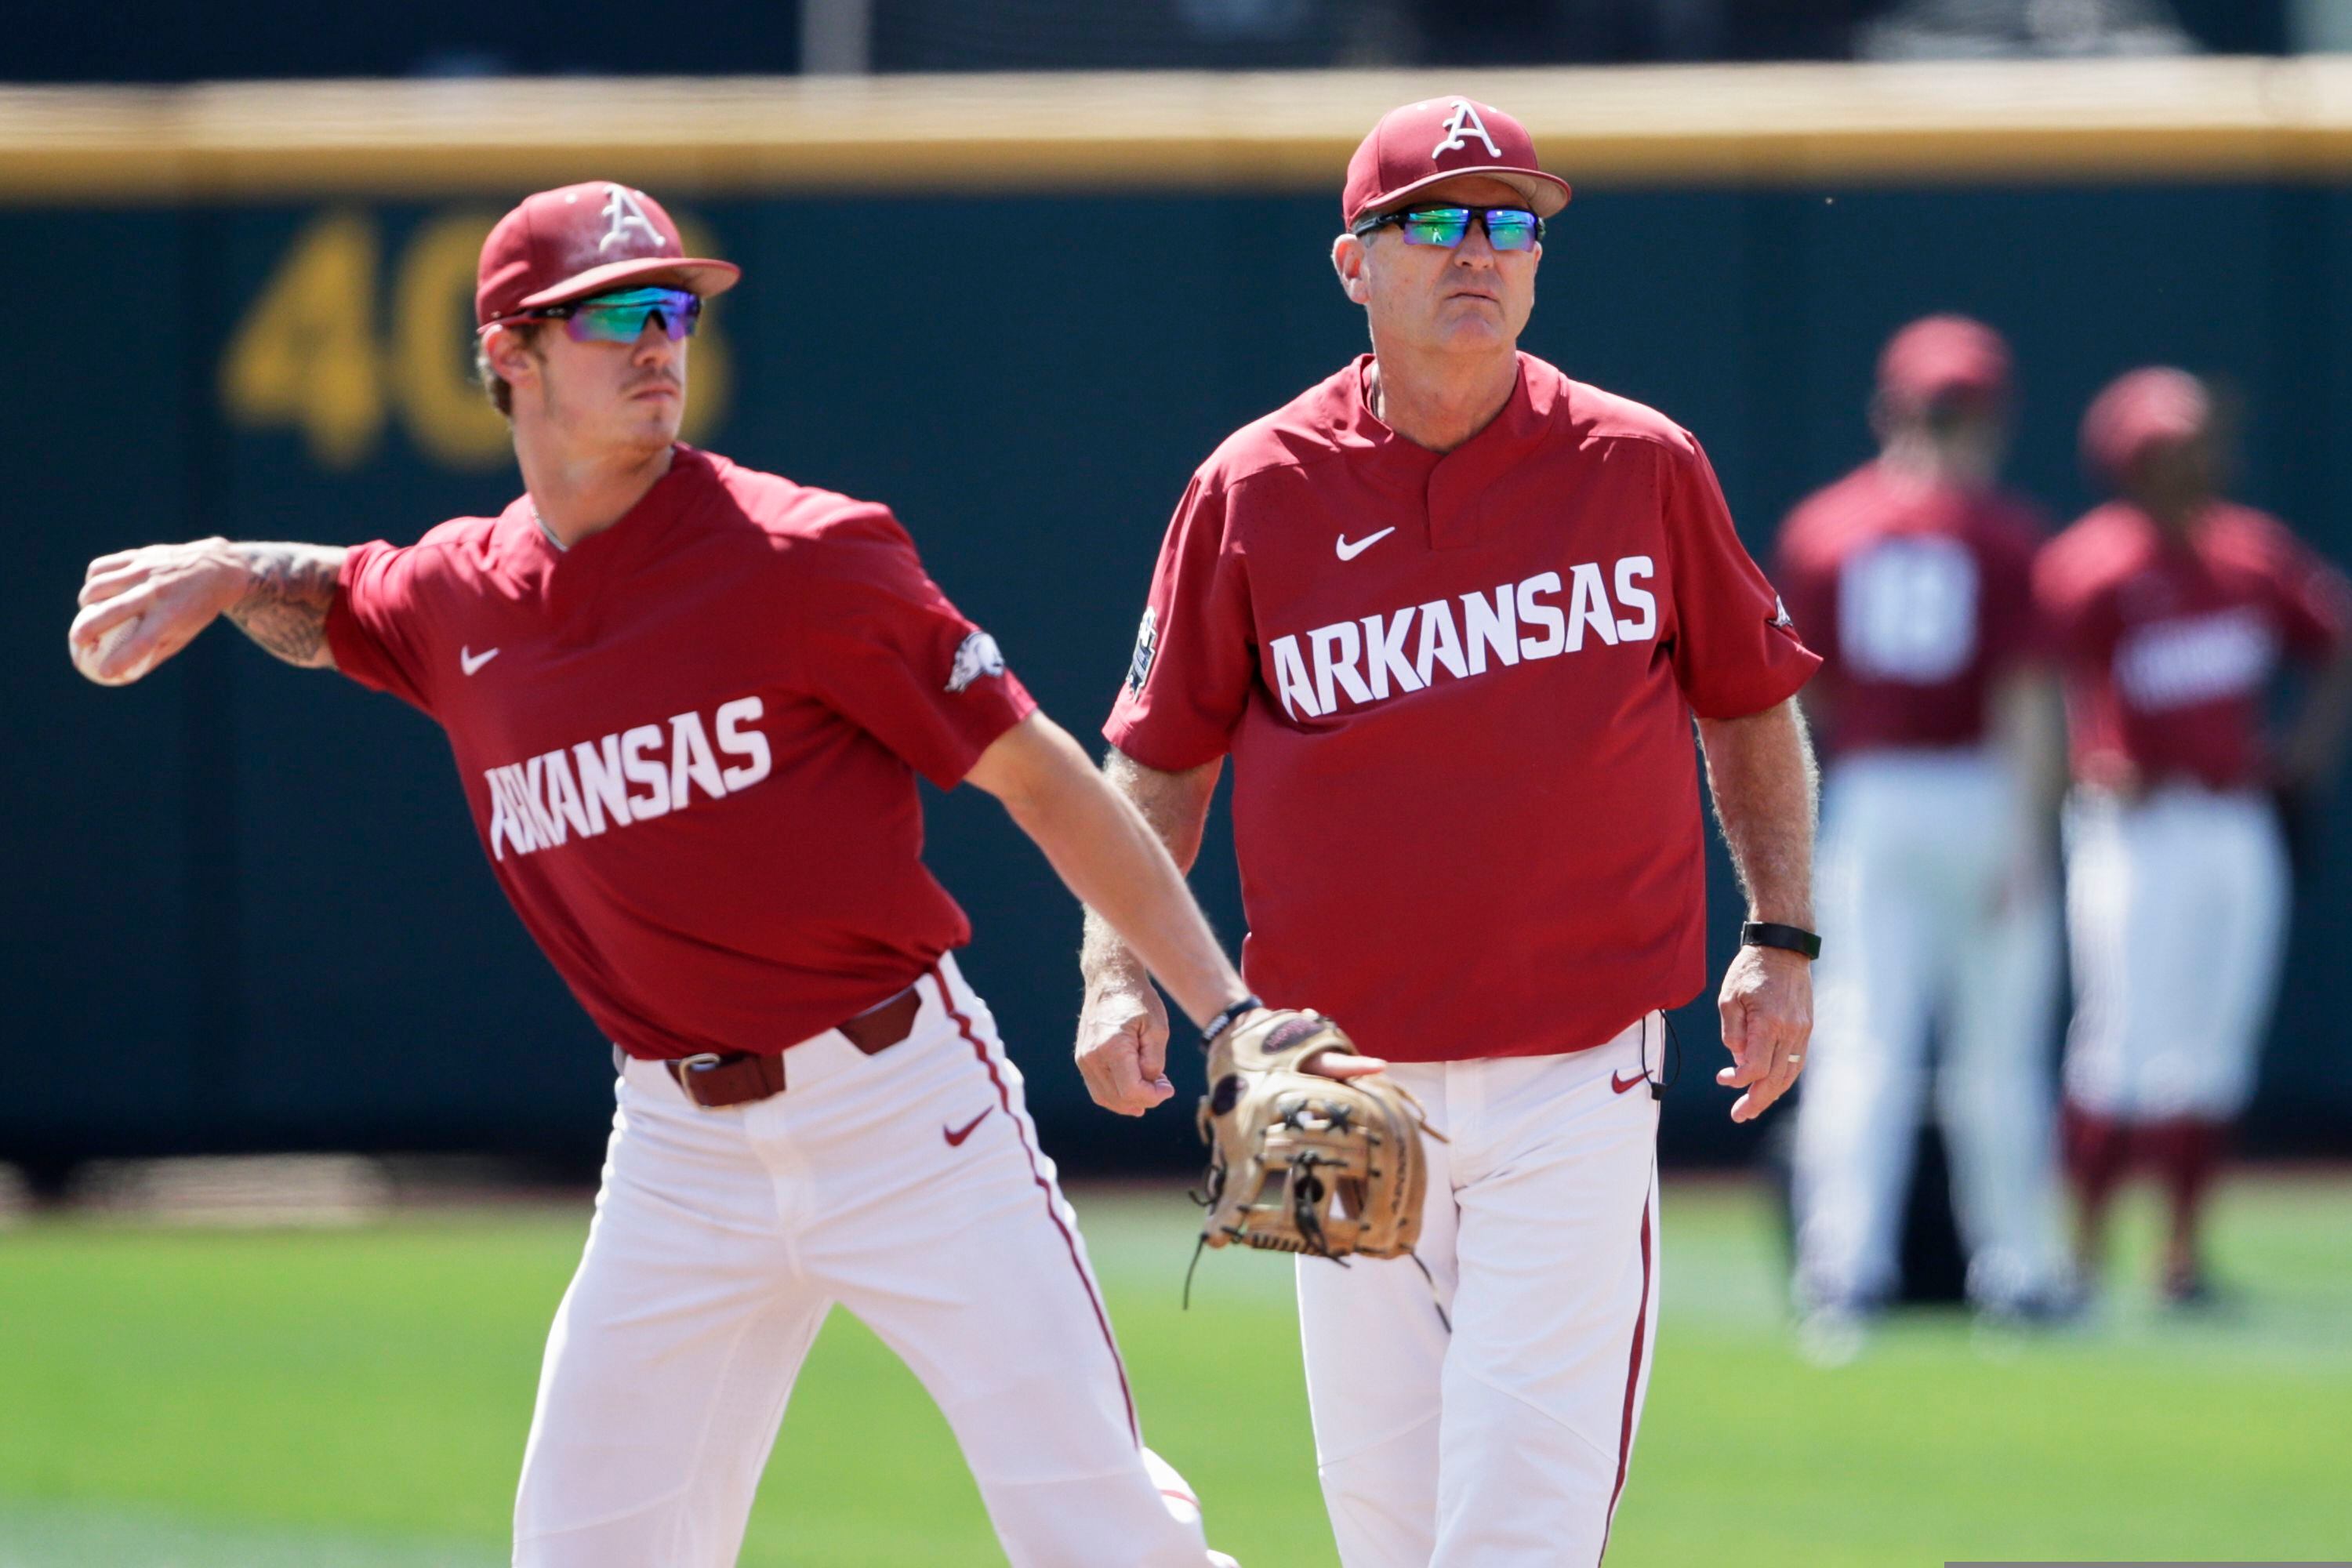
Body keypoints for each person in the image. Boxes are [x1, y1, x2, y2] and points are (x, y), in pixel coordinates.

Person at [67, 180, 1261, 1568]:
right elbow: (346, 595)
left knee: (1100, 1536)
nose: (659, 341)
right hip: (678, 1156)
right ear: (509, 356)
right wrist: (225, 568)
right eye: (615, 314)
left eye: (675, 308)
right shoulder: (464, 598)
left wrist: (1226, 1010)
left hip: (906, 1113)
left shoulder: (805, 555)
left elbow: (1043, 776)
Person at [1073, 98, 1822, 1568]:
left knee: (1514, 1537)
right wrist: (1112, 971)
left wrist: (1780, 935)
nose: (1478, 252)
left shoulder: (1639, 461)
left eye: (1508, 223)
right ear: (1355, 262)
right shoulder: (1255, 485)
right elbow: (1157, 760)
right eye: (1436, 221)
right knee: (1389, 1530)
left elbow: (1748, 706)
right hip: (1336, 1078)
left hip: (1577, 1073)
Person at [1775, 314, 2076, 1339]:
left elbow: (1804, 702)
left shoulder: (1825, 527)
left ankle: (1843, 1272)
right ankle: (2019, 1272)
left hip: (1873, 794)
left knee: (1866, 1040)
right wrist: (2035, 835)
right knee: (1997, 1047)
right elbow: (2029, 700)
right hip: (1974, 787)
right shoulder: (2002, 535)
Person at [2037, 367, 2352, 1305]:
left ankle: (2180, 1258)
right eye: (2173, 449)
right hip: (2136, 826)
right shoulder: (2093, 563)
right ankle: (2082, 1254)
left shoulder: (2253, 554)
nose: (2197, 462)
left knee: (2213, 1044)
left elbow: (2334, 642)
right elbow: (2036, 681)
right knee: (2119, 1037)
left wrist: (2301, 753)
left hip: (2233, 819)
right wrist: (2086, 752)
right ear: (2130, 462)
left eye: (2199, 445)